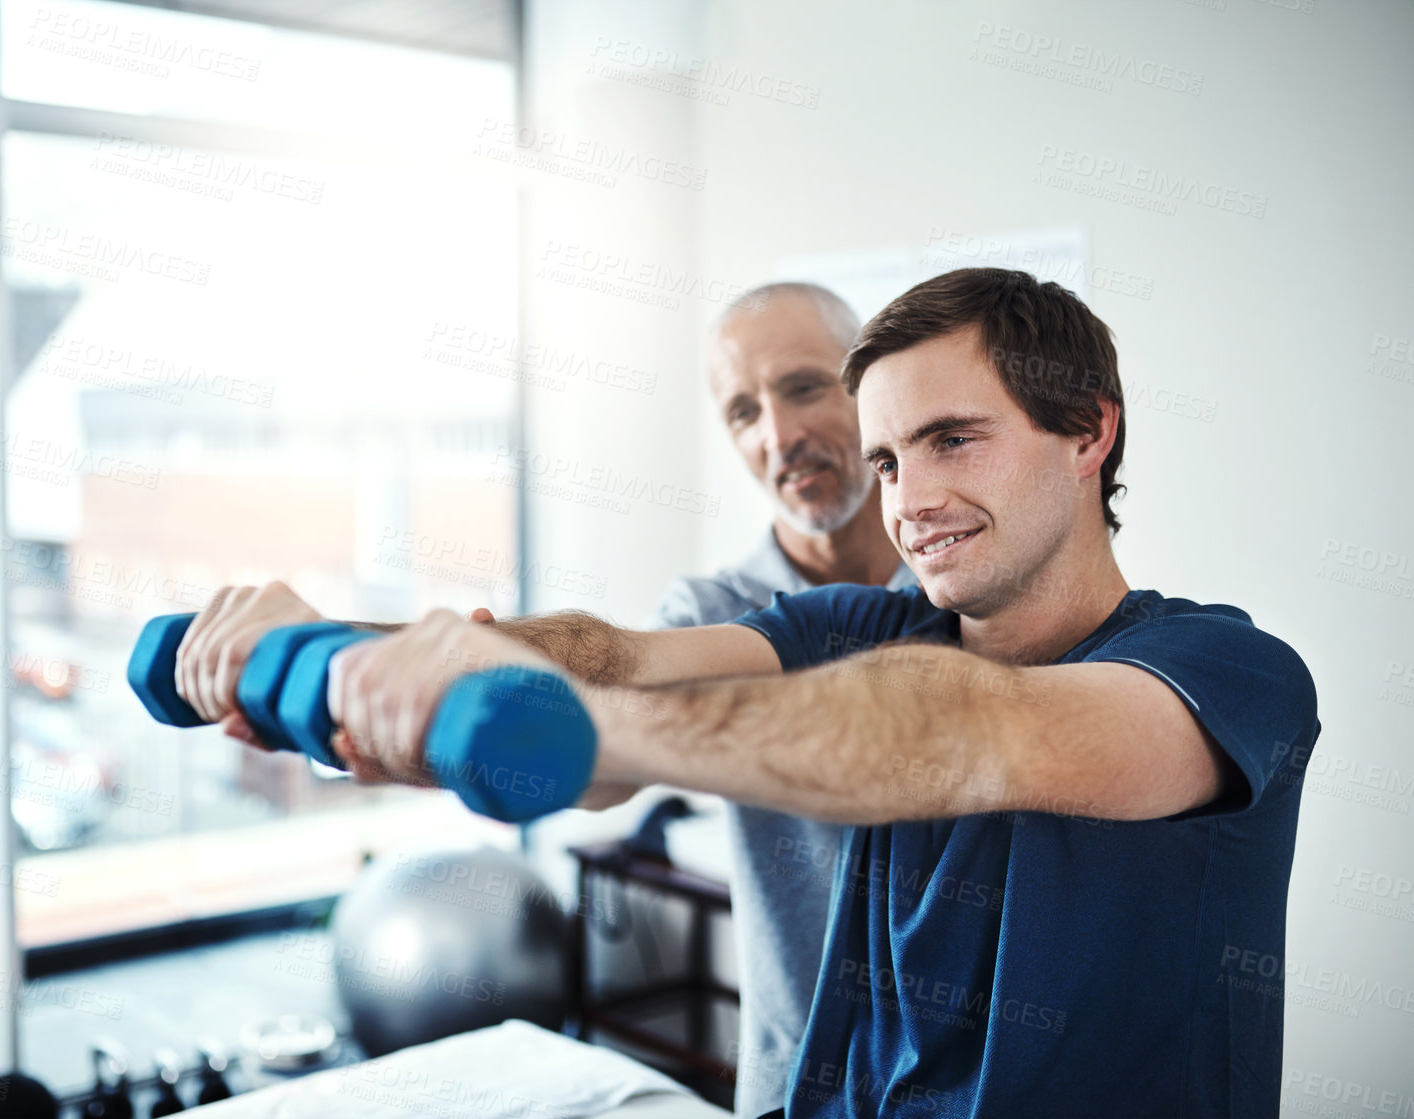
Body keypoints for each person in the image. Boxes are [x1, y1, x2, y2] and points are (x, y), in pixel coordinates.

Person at [175, 268, 1319, 1117]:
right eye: (887, 461)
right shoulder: (861, 620)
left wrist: (572, 727)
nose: (907, 499)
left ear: (1087, 433)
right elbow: (614, 653)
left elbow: (965, 731)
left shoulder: (1227, 671)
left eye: (953, 441)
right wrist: (334, 645)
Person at [637, 281, 907, 1118]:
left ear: (869, 386)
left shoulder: (969, 593)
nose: (780, 436)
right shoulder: (707, 615)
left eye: (803, 387)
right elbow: (597, 763)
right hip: (793, 1085)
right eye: (743, 412)